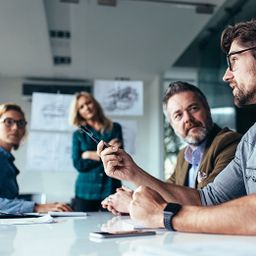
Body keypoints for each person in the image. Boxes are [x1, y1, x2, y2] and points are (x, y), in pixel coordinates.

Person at [98, 20, 256, 235]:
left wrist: (163, 214)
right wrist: (132, 172)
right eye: (178, 115)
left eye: (234, 60)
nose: (226, 75)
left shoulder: (230, 142)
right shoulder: (250, 140)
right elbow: (208, 199)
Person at [101, 81, 241, 215]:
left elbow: (208, 203)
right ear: (172, 126)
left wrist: (132, 201)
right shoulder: (184, 155)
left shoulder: (229, 143)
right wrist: (133, 197)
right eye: (178, 115)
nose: (187, 119)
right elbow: (166, 193)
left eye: (193, 108)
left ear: (207, 109)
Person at [0, 103, 72, 214]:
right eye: (8, 122)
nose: (15, 128)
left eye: (21, 123)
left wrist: (48, 206)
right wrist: (37, 207)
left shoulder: (6, 159)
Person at [69, 92, 123, 211]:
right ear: (78, 112)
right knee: (82, 228)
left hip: (110, 187)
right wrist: (104, 154)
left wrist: (88, 154)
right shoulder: (78, 135)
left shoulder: (115, 128)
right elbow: (78, 164)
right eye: (81, 107)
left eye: (88, 103)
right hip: (85, 191)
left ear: (95, 104)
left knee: (113, 225)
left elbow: (118, 158)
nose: (86, 107)